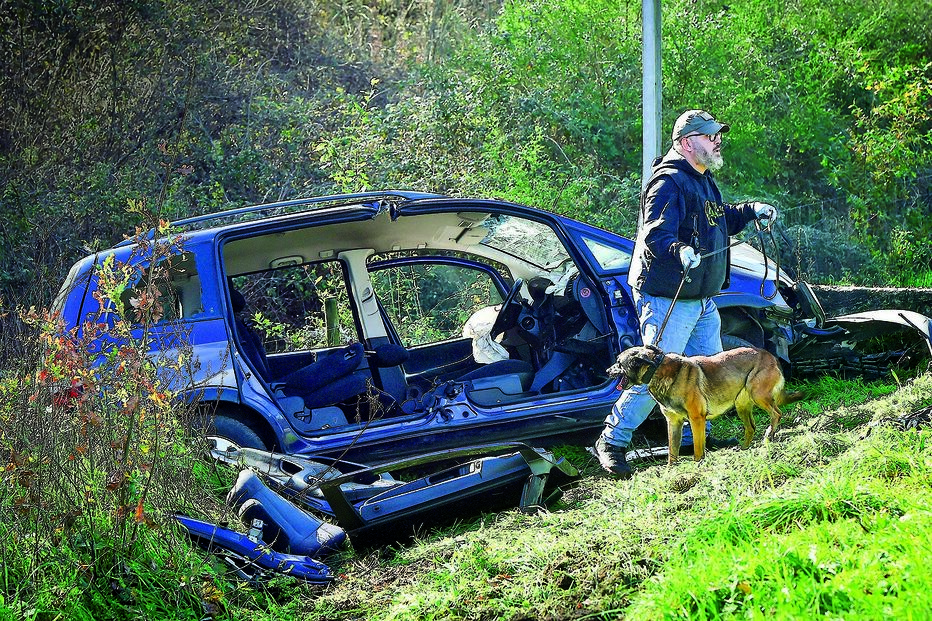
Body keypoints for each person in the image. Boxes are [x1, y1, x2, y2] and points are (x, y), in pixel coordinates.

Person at [594, 109, 777, 477]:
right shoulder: (668, 181)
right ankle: (612, 440)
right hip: (668, 297)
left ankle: (698, 438)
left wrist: (749, 211)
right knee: (655, 374)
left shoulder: (702, 178)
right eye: (710, 136)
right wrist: (679, 250)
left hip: (701, 298)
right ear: (687, 141)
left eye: (717, 135)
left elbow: (716, 216)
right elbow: (656, 234)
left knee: (706, 375)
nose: (717, 140)